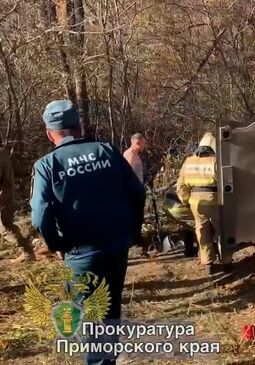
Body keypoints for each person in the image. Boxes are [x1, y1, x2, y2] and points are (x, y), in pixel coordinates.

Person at [30, 100, 145, 365]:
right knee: (110, 312)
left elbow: (40, 216)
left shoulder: (47, 165)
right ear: (80, 127)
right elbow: (137, 192)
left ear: (50, 134)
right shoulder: (107, 150)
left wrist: (57, 244)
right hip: (117, 247)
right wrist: (132, 231)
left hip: (81, 254)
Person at [176, 132, 232, 277]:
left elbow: (181, 186)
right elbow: (226, 182)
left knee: (202, 232)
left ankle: (208, 264)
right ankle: (227, 262)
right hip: (214, 199)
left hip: (196, 202)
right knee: (221, 231)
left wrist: (186, 201)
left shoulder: (189, 161)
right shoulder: (216, 161)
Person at [0, 142, 35, 263]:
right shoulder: (4, 154)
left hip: (2, 195)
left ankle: (27, 253)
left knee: (5, 226)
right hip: (6, 193)